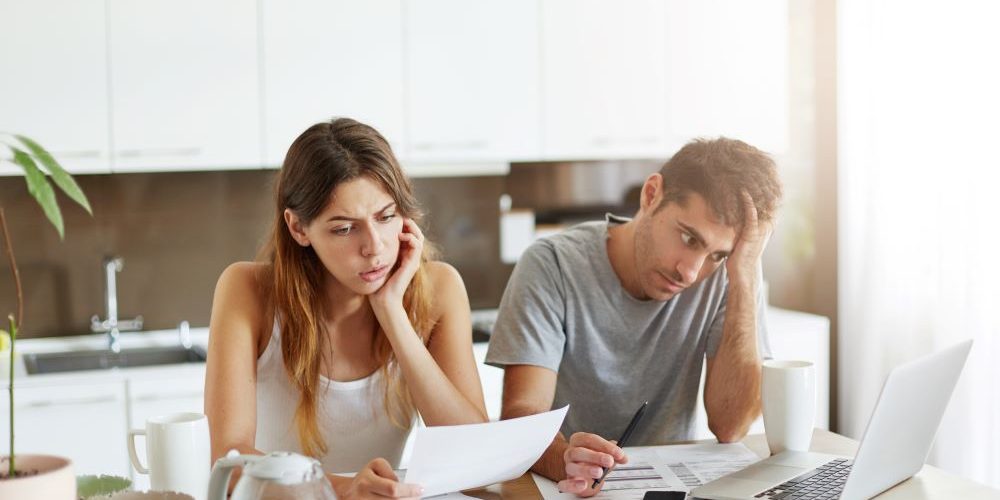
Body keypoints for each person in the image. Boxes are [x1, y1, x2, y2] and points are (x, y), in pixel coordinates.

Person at [204, 118, 488, 499]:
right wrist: (342, 488)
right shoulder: (247, 291)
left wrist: (392, 313)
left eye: (386, 217)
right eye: (344, 228)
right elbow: (228, 461)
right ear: (298, 228)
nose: (375, 247)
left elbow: (476, 465)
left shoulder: (439, 288)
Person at [485, 137, 783, 497]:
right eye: (688, 238)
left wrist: (745, 275)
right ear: (652, 194)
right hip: (571, 489)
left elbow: (731, 426)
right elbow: (522, 414)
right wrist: (567, 459)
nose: (690, 273)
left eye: (717, 255)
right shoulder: (552, 264)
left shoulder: (732, 276)